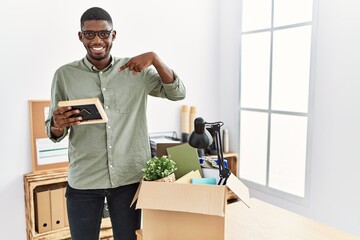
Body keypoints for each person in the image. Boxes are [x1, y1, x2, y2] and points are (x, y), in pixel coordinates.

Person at [45, 7, 186, 240]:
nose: (97, 40)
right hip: (85, 178)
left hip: (129, 176)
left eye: (103, 33)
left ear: (113, 35)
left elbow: (177, 93)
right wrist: (57, 125)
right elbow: (54, 130)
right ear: (80, 37)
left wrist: (154, 58)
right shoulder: (64, 75)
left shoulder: (136, 70)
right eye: (89, 34)